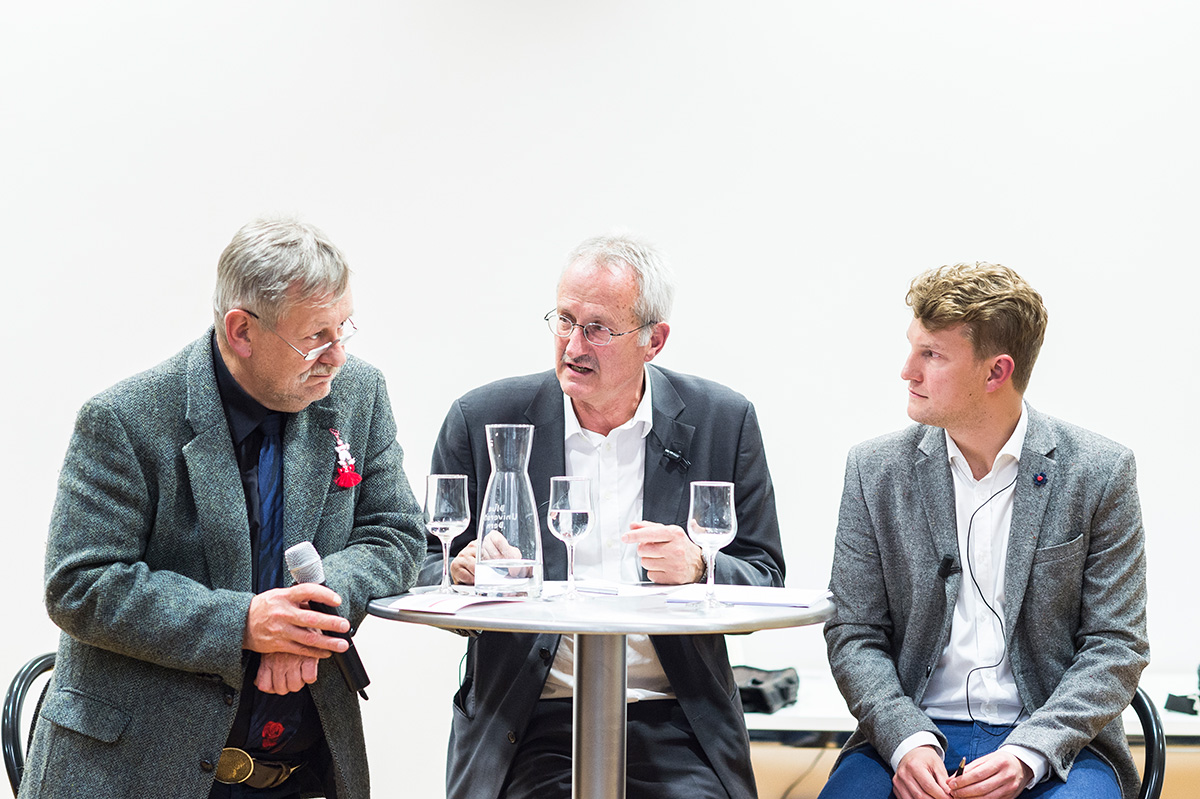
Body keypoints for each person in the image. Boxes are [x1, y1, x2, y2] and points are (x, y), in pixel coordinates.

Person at [24, 219, 426, 799]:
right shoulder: (126, 419)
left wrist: (304, 619)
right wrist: (244, 625)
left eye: (344, 328)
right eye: (315, 337)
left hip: (303, 771)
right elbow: (79, 584)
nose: (336, 356)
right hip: (138, 771)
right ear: (241, 331)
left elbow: (394, 533)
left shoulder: (357, 394)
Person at [421, 233, 785, 799]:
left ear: (653, 340)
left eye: (598, 329)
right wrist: (459, 572)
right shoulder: (484, 418)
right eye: (564, 320)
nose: (573, 345)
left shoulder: (723, 420)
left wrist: (699, 566)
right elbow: (424, 563)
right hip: (529, 718)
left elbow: (764, 573)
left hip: (674, 718)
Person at [820, 263, 1149, 799]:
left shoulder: (1098, 472)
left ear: (995, 372)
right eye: (913, 348)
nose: (908, 371)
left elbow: (1116, 644)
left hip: (1053, 741)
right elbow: (854, 633)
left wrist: (1029, 752)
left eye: (932, 355)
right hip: (914, 731)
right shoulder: (875, 470)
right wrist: (906, 741)